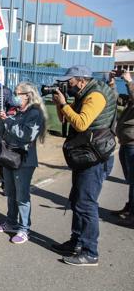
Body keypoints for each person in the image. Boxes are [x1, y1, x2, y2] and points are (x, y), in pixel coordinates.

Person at [51, 65, 117, 266]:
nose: (67, 84)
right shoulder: (83, 92)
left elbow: (81, 123)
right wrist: (60, 104)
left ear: (81, 80)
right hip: (85, 154)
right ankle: (76, 242)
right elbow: (64, 118)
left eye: (69, 81)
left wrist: (65, 104)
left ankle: (90, 252)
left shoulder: (95, 96)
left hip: (95, 158)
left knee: (86, 203)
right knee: (77, 200)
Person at [0, 82, 47, 244]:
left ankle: (24, 229)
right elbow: (1, 132)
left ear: (27, 95)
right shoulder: (15, 111)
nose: (14, 96)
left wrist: (9, 122)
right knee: (10, 192)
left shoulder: (35, 113)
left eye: (17, 93)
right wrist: (3, 120)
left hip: (24, 159)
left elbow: (26, 135)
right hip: (9, 157)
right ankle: (11, 222)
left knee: (22, 196)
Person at [114, 69, 134, 226]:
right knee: (130, 180)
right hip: (126, 143)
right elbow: (117, 100)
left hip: (133, 144)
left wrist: (128, 81)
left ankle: (132, 214)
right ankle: (130, 208)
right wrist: (111, 83)